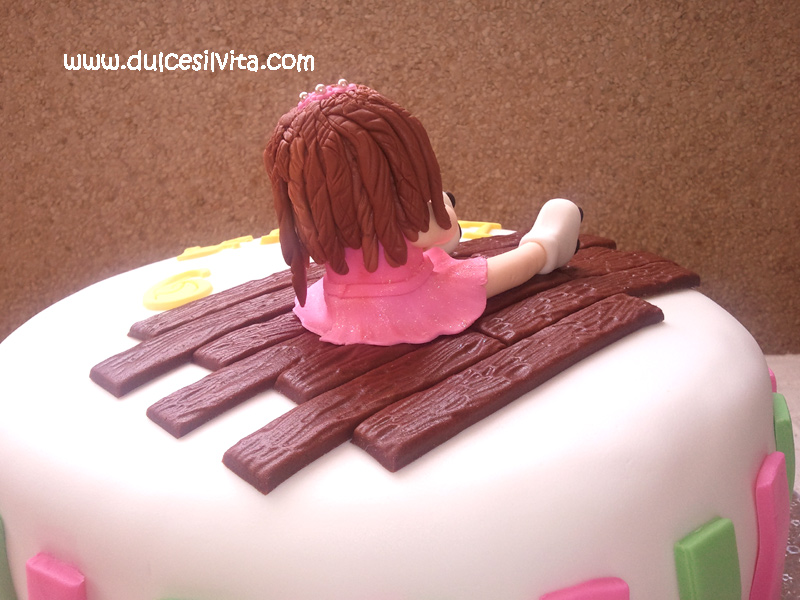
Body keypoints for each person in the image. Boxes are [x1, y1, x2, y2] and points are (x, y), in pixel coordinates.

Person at [264, 80, 582, 345]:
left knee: (425, 250)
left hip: (339, 305)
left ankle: (430, 254)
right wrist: (441, 207)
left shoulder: (310, 222)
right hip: (411, 301)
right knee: (496, 272)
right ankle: (546, 247)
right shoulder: (398, 213)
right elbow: (443, 228)